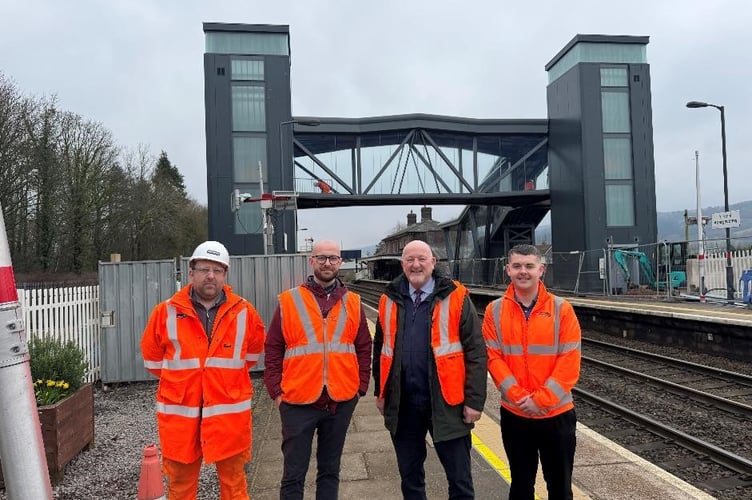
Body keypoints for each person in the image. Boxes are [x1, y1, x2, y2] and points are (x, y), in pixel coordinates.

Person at [141, 240, 265, 500]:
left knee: (234, 486)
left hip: (229, 420)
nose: (211, 275)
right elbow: (153, 362)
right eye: (204, 269)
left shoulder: (245, 312)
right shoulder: (165, 313)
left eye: (217, 270)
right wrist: (188, 382)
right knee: (181, 488)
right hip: (181, 420)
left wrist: (215, 379)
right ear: (191, 272)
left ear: (225, 274)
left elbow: (252, 355)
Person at [373, 239, 487, 500]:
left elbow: (476, 352)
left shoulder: (456, 296)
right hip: (403, 404)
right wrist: (381, 392)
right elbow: (381, 349)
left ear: (433, 263)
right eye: (410, 260)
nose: (416, 265)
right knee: (410, 478)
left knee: (459, 479)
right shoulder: (387, 299)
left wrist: (474, 402)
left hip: (448, 403)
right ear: (402, 264)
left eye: (422, 259)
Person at [263, 239, 372, 499]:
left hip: (341, 400)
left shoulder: (353, 302)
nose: (327, 263)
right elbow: (273, 348)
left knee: (330, 471)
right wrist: (277, 392)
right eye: (321, 257)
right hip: (297, 401)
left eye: (333, 258)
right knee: (293, 475)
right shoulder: (289, 301)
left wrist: (361, 387)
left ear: (340, 262)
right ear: (311, 261)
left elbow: (365, 348)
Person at [482, 244, 581, 500]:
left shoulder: (563, 310)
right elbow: (494, 359)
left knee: (560, 488)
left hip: (556, 414)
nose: (522, 272)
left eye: (529, 266)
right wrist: (519, 397)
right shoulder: (494, 311)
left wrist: (541, 400)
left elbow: (569, 362)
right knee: (521, 485)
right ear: (508, 270)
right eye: (517, 266)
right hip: (516, 415)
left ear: (541, 270)